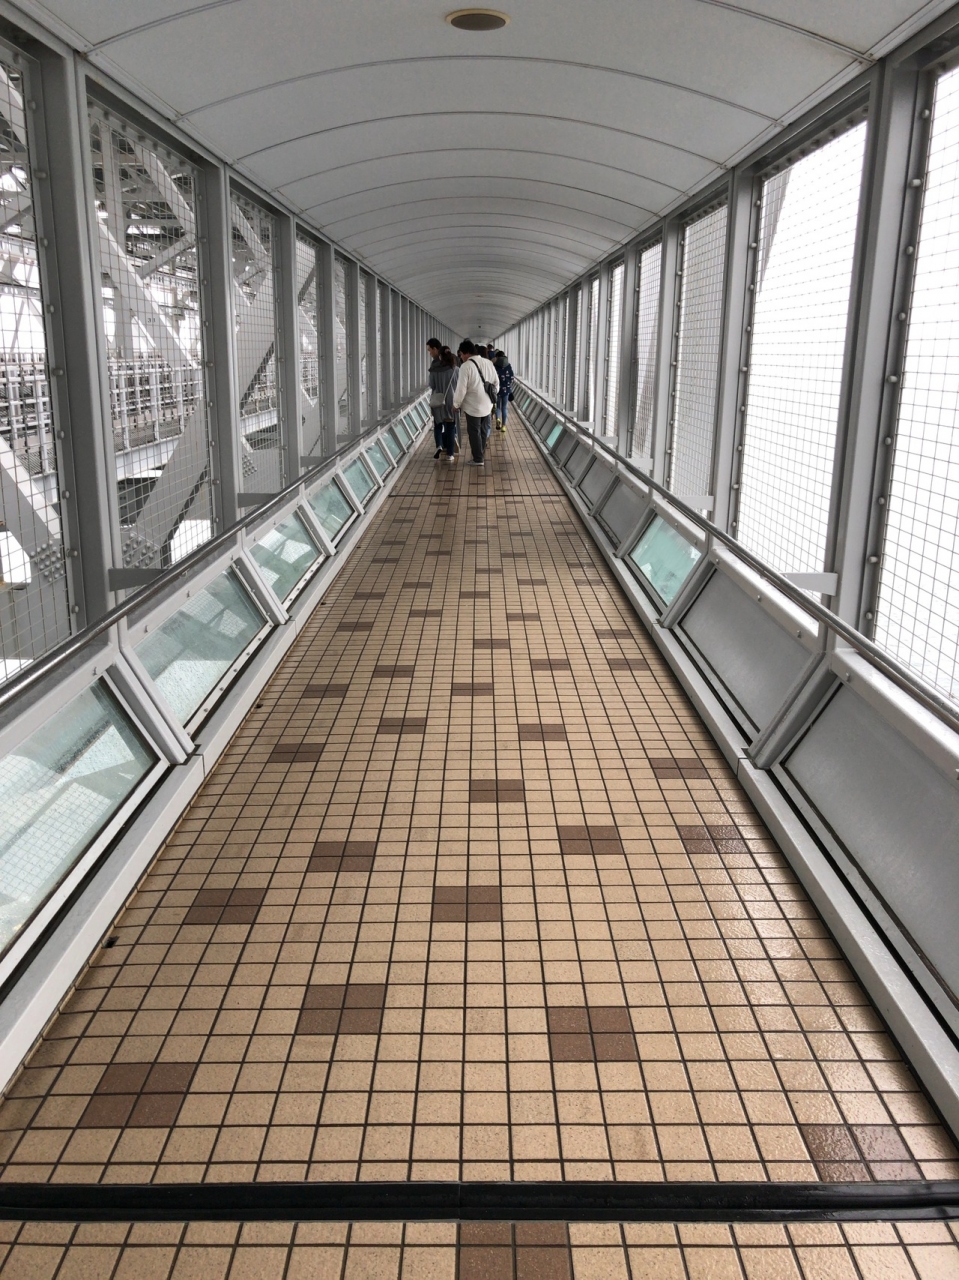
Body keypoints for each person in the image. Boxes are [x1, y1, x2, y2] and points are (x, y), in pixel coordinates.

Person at [452, 339, 496, 465]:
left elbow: (461, 388)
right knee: (483, 430)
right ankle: (480, 454)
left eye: (461, 354)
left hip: (473, 406)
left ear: (466, 353)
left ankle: (478, 458)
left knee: (474, 432)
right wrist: (491, 396)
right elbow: (496, 383)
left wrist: (456, 404)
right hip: (487, 404)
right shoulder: (488, 363)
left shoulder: (466, 366)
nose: (461, 357)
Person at [427, 338, 457, 462]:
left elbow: (431, 385)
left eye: (429, 350)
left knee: (438, 424)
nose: (429, 353)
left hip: (438, 400)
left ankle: (439, 445)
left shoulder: (433, 369)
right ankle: (450, 454)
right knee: (450, 426)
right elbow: (458, 385)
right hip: (450, 400)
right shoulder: (455, 369)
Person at [493, 349, 513, 431]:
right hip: (506, 390)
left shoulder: (495, 366)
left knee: (498, 407)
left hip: (497, 390)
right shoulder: (508, 365)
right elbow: (512, 377)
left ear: (497, 357)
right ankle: (504, 426)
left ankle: (498, 419)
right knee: (504, 407)